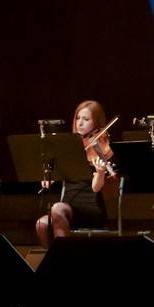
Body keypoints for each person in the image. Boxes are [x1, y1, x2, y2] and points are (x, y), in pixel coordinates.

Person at [34, 100, 114, 245]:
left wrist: (100, 172)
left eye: (86, 119)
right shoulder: (69, 146)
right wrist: (48, 178)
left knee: (56, 208)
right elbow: (56, 175)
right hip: (66, 209)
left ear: (96, 122)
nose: (80, 123)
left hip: (91, 209)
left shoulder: (101, 146)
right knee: (42, 224)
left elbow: (96, 188)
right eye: (78, 118)